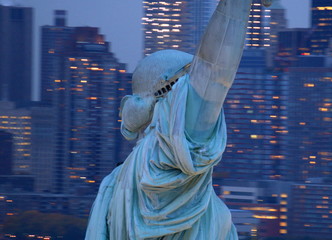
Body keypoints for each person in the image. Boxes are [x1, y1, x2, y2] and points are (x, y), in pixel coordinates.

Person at [85, 0, 256, 239]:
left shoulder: (116, 183)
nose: (198, 99)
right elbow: (215, 71)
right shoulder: (166, 157)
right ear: (169, 100)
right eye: (187, 84)